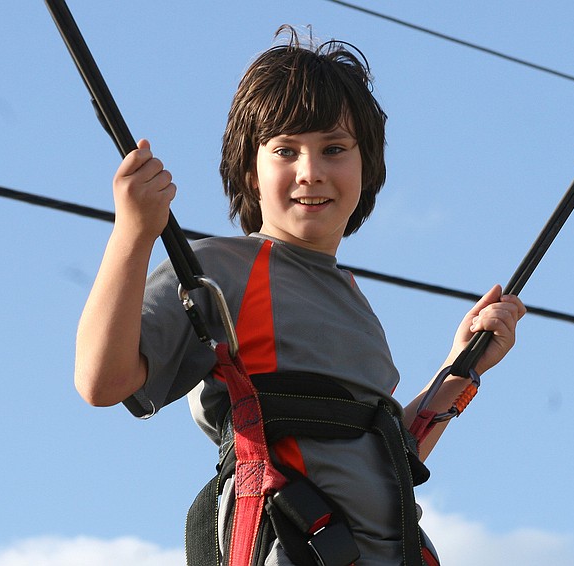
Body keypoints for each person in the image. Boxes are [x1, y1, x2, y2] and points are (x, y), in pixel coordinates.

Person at [74, 26, 525, 566]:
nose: (311, 172)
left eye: (334, 149)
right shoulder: (220, 269)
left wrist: (460, 368)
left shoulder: (352, 299)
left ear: (367, 167)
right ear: (251, 171)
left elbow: (385, 453)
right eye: (286, 151)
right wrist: (133, 233)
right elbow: (103, 381)